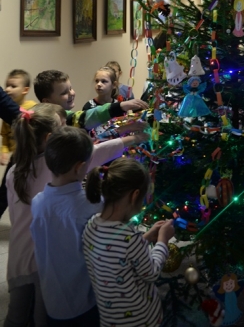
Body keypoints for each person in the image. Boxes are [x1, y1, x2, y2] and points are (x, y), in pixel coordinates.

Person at [5, 105, 149, 327]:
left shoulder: (15, 171)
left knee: (17, 315)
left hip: (19, 257)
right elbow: (96, 152)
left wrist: (125, 133)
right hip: (43, 265)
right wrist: (134, 138)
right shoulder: (59, 174)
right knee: (39, 317)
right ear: (50, 139)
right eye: (62, 127)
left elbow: (16, 218)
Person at [83, 157, 175, 327]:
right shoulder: (130, 238)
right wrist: (162, 240)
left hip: (110, 319)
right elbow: (151, 272)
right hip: (141, 320)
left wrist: (146, 236)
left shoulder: (91, 226)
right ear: (135, 195)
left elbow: (116, 255)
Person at [31, 127, 103, 326]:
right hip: (83, 302)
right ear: (80, 167)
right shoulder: (92, 205)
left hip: (52, 300)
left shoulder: (38, 202)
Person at [34, 70, 147, 138]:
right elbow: (87, 118)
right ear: (47, 102)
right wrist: (120, 106)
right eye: (64, 92)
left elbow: (94, 137)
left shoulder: (64, 116)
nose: (71, 93)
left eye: (71, 88)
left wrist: (124, 130)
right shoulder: (59, 121)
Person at [1, 69, 36, 165]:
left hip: (30, 157)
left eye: (13, 86)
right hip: (15, 158)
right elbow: (5, 135)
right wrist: (4, 151)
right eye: (7, 86)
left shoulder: (33, 108)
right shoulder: (6, 112)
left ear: (25, 90)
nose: (7, 89)